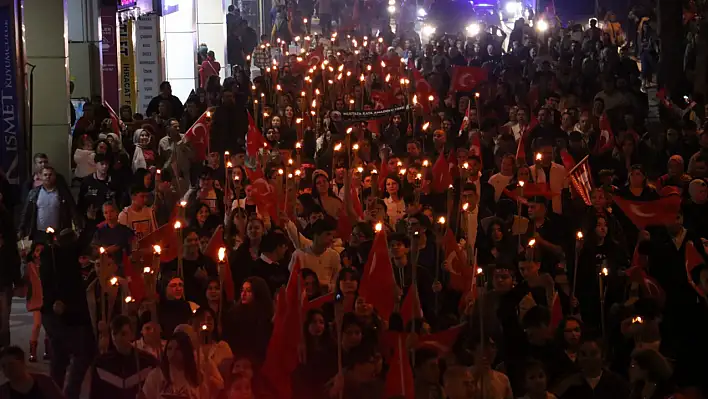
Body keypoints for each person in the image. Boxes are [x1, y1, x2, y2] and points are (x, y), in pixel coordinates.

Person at [89, 315, 157, 399]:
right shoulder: (101, 363)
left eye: (123, 334)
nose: (118, 338)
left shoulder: (148, 362)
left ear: (132, 335)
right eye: (115, 334)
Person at [19, 166, 81, 243]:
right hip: (39, 233)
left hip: (58, 232)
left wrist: (78, 226)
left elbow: (72, 210)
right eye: (45, 175)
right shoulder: (34, 193)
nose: (48, 177)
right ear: (41, 176)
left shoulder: (63, 193)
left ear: (55, 176)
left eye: (50, 175)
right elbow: (26, 212)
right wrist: (21, 228)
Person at [141, 331, 210, 399]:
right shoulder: (156, 375)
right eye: (169, 348)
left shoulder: (197, 376)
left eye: (178, 349)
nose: (172, 353)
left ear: (186, 351)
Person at [289, 218, 341, 291]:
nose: (331, 239)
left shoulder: (334, 255)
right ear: (316, 235)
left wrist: (327, 287)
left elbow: (336, 281)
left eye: (333, 235)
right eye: (328, 234)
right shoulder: (299, 255)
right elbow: (293, 282)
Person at [0, 346, 65, 399]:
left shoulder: (44, 382)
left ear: (23, 363)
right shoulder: (3, 392)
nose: (8, 369)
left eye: (11, 365)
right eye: (3, 366)